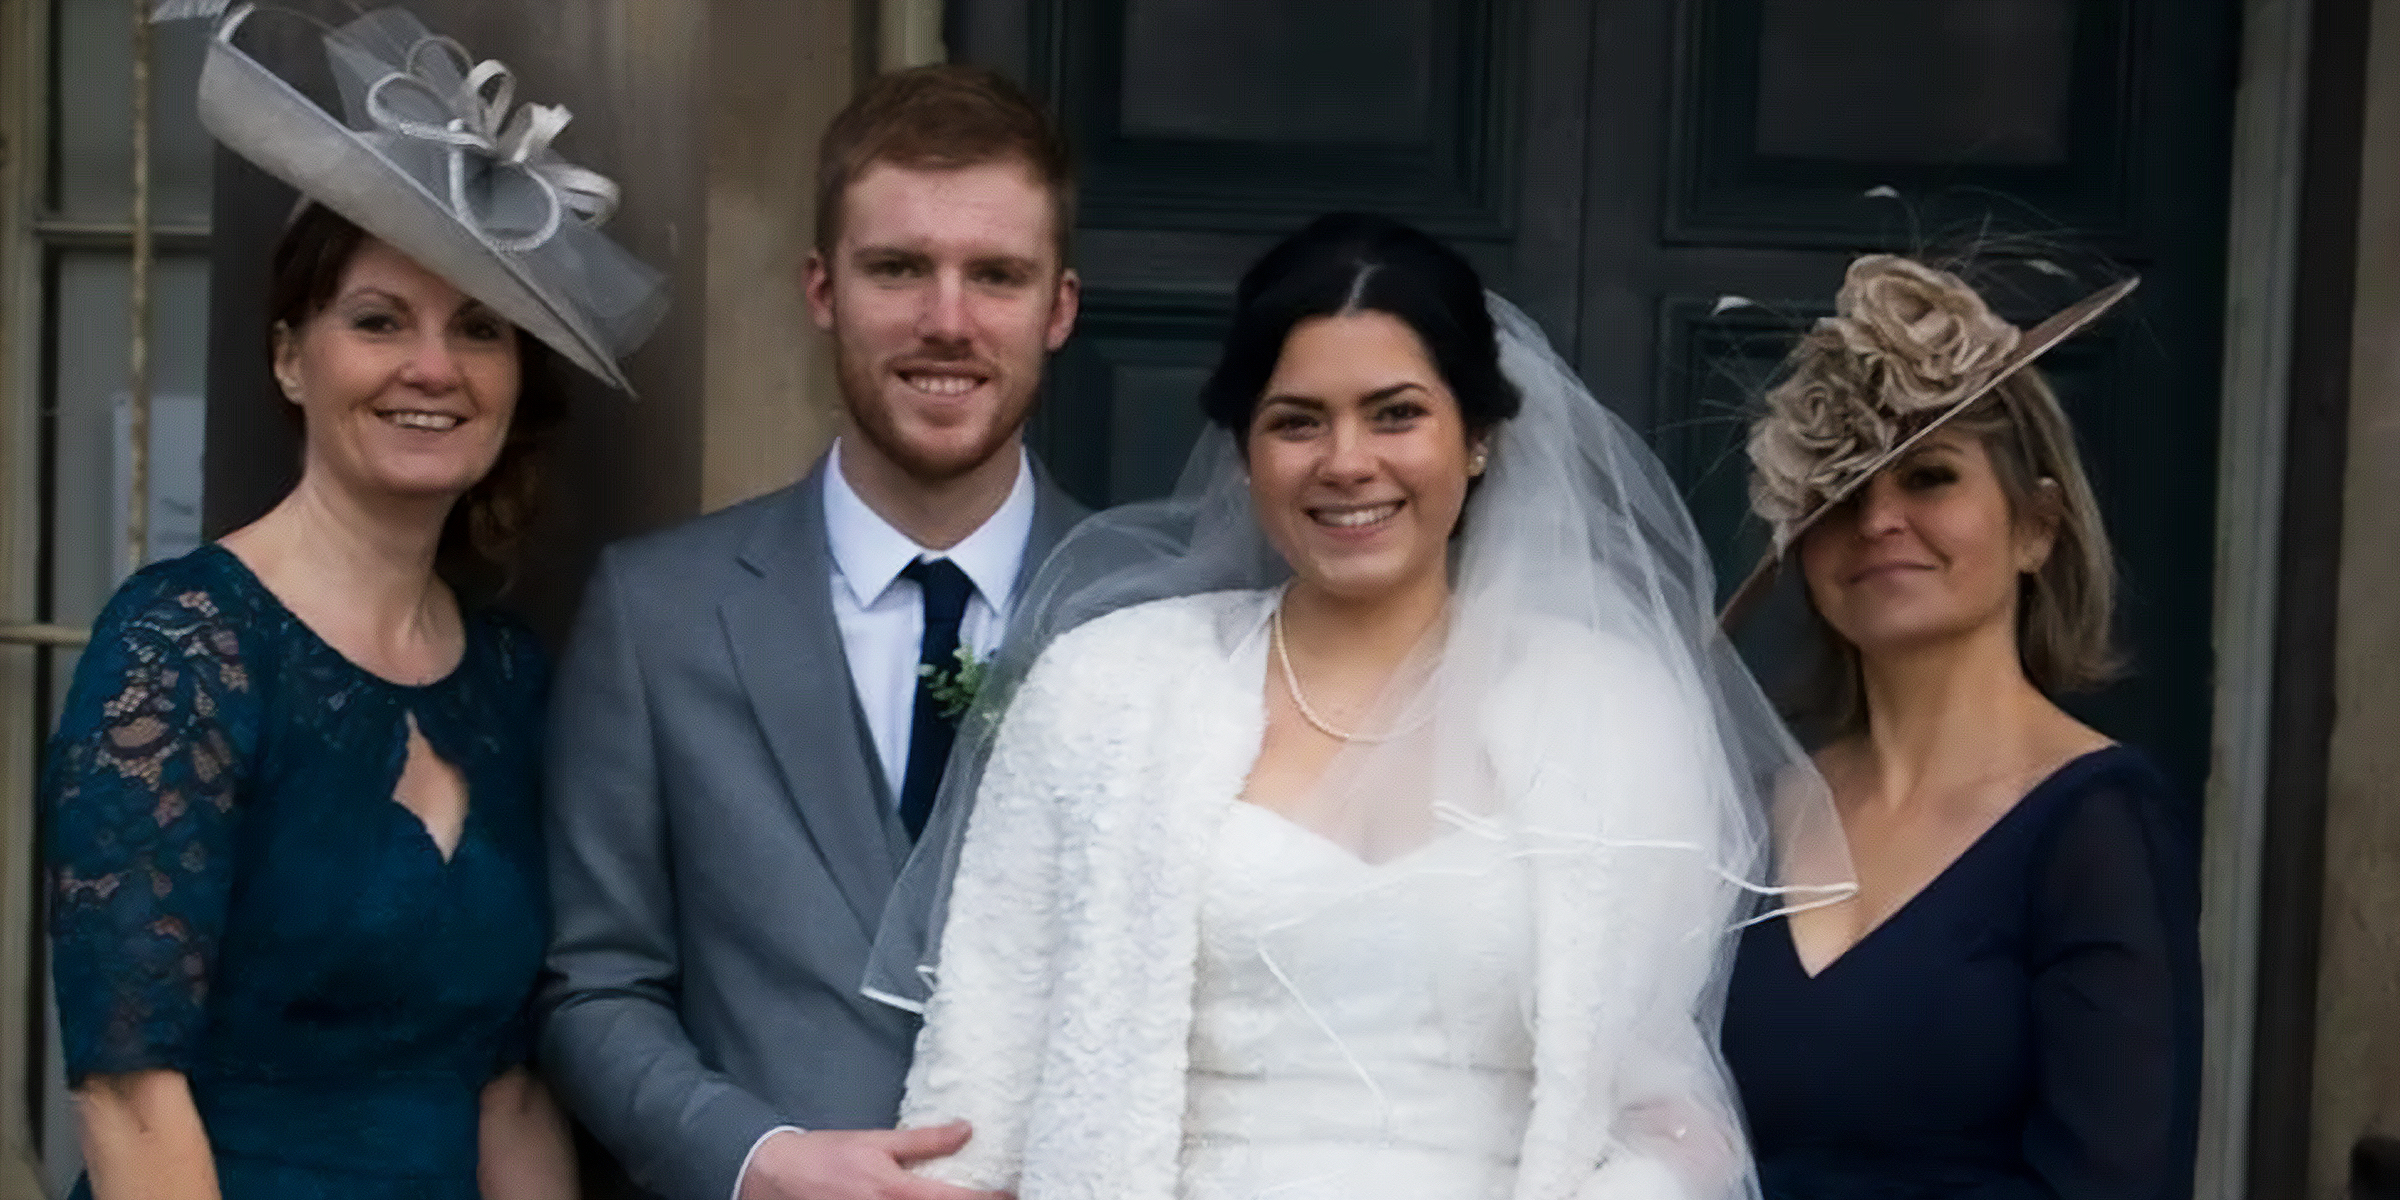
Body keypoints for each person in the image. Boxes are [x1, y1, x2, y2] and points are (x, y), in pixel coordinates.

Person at [880, 213, 1851, 1200]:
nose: (1347, 460)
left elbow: (1666, 1102)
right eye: (1298, 420)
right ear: (1246, 450)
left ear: (1477, 437)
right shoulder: (1110, 689)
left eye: (1395, 414)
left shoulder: (1613, 712)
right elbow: (979, 1078)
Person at [43, 6, 665, 1199]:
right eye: (379, 320)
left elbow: (510, 1088)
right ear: (291, 356)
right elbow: (126, 1093)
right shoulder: (182, 644)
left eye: (478, 329)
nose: (432, 367)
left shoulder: (509, 675)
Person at [537, 64, 1088, 1200]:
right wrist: (753, 1158)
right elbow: (593, 984)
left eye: (996, 275)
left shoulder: (1152, 616)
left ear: (1060, 308)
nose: (948, 320)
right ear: (821, 287)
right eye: (898, 268)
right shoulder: (658, 614)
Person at [1718, 254, 2202, 1198]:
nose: (1880, 521)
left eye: (1930, 478)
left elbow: (2119, 1181)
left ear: (2037, 528)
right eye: (1842, 494)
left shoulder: (2095, 823)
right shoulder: (1757, 809)